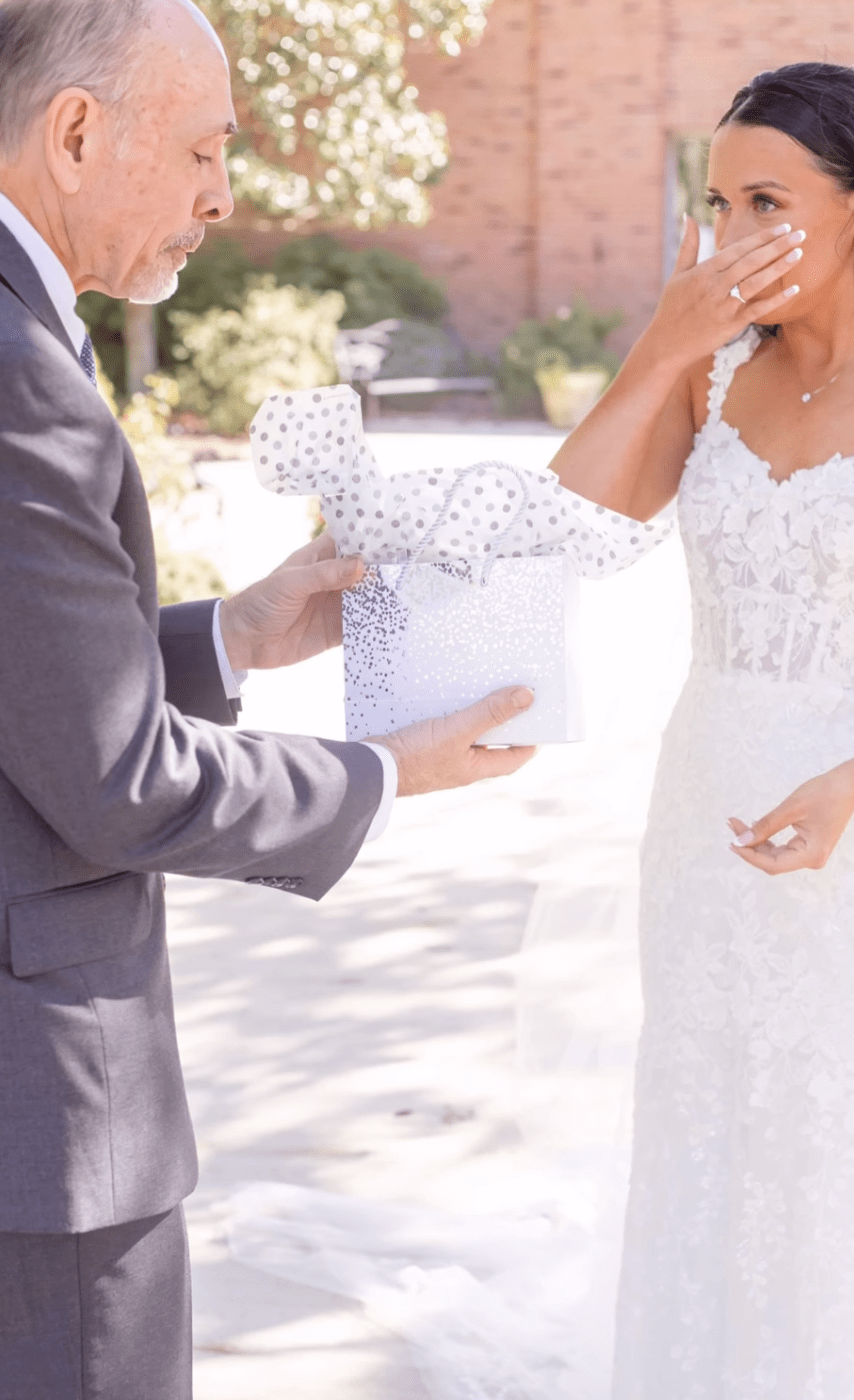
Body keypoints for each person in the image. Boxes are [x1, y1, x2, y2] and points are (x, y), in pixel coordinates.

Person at [0, 1, 536, 1395]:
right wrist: (385, 771)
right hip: (40, 1131)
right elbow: (114, 783)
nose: (220, 195)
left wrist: (228, 639)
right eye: (199, 150)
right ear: (73, 134)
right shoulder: (20, 384)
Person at [545, 59, 854, 1399]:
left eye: (765, 202)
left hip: (844, 825)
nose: (729, 238)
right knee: (710, 1125)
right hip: (704, 823)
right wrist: (663, 343)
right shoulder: (713, 374)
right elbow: (568, 531)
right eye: (715, 202)